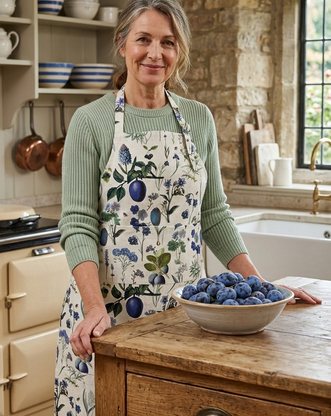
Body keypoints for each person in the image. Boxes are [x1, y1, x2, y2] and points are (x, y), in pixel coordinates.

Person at [54, 0, 322, 414]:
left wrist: (264, 291)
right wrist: (92, 309)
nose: (155, 53)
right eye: (143, 39)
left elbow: (213, 213)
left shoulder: (198, 119)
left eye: (168, 42)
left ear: (179, 51)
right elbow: (78, 224)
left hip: (184, 318)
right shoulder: (92, 121)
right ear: (123, 43)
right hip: (108, 318)